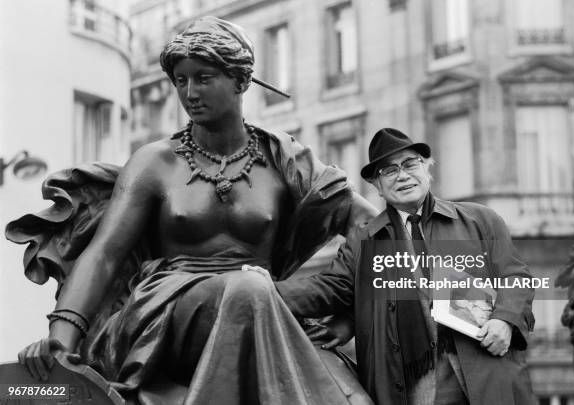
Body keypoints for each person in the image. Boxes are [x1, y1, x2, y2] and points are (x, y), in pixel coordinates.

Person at [10, 16, 377, 405]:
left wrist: (350, 313)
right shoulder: (155, 163)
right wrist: (60, 337)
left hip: (266, 306)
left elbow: (371, 226)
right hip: (169, 313)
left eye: (203, 78)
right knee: (250, 288)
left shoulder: (285, 161)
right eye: (180, 81)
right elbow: (104, 255)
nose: (190, 93)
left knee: (346, 392)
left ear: (241, 80)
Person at [260, 128, 537, 405]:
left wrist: (505, 320)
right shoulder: (363, 240)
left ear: (427, 168)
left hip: (486, 377)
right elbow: (332, 286)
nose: (402, 175)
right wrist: (267, 290)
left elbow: (516, 277)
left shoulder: (480, 219)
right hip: (411, 388)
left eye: (409, 164)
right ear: (377, 186)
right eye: (388, 171)